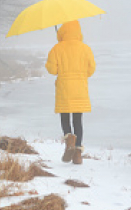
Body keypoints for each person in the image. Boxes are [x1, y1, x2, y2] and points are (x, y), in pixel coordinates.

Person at [45, 20, 96, 165]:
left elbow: (52, 70)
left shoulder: (57, 48)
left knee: (65, 117)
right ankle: (78, 154)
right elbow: (91, 70)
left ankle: (69, 141)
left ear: (62, 32)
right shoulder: (85, 48)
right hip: (80, 88)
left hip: (64, 88)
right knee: (78, 121)